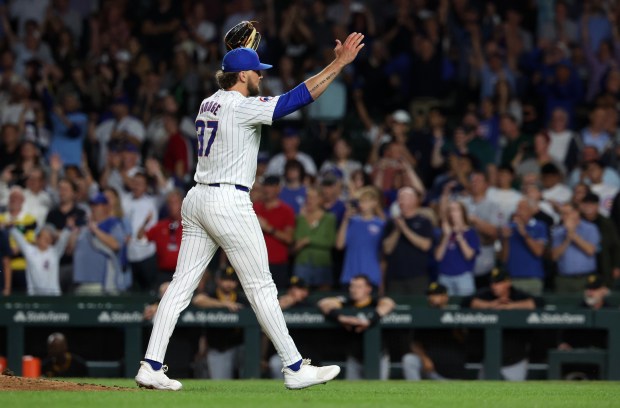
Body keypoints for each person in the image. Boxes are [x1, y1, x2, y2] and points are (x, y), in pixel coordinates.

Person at [136, 33, 366, 390]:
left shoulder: (207, 103)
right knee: (261, 285)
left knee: (181, 286)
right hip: (227, 200)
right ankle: (294, 367)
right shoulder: (241, 106)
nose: (261, 75)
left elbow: (242, 86)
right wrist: (339, 64)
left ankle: (151, 364)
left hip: (197, 197)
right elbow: (297, 99)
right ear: (242, 76)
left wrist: (238, 56)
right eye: (256, 71)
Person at [466, 268, 544, 381]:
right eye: (492, 282)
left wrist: (510, 307)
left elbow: (539, 303)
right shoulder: (486, 295)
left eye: (498, 282)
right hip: (489, 360)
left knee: (515, 394)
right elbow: (467, 302)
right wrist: (490, 305)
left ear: (508, 282)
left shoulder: (517, 295)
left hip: (515, 359)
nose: (494, 286)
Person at [318, 275, 396, 380]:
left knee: (379, 390)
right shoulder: (346, 302)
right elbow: (323, 303)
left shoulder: (374, 302)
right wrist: (342, 318)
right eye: (352, 286)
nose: (354, 290)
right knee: (352, 392)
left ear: (368, 289)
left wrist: (369, 321)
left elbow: (389, 303)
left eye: (359, 287)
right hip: (354, 357)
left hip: (377, 357)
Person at [402, 283, 469, 380]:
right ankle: (414, 393)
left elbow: (464, 339)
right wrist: (424, 358)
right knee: (409, 360)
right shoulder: (424, 317)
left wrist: (452, 324)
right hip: (430, 368)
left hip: (451, 372)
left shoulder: (456, 315)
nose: (431, 298)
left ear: (445, 297)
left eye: (436, 295)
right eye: (430, 295)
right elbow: (415, 343)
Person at [191, 266, 247, 379]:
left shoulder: (241, 299)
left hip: (239, 346)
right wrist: (224, 304)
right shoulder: (212, 295)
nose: (228, 284)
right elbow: (197, 300)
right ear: (218, 280)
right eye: (225, 280)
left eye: (232, 280)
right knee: (220, 383)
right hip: (219, 348)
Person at [382, 187, 433, 294]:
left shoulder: (423, 221)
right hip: (395, 277)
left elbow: (425, 245)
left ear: (415, 200)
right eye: (399, 198)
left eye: (404, 198)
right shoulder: (391, 223)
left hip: (417, 276)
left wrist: (404, 228)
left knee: (418, 308)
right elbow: (387, 249)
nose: (401, 201)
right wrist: (397, 229)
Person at [336, 186, 385, 289]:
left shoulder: (381, 224)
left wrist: (382, 281)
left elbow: (384, 255)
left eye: (366, 201)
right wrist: (345, 220)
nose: (362, 204)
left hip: (371, 276)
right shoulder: (351, 222)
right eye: (361, 201)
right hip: (350, 275)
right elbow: (339, 245)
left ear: (374, 202)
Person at [253, 175, 295, 290]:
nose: (267, 189)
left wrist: (268, 228)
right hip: (255, 262)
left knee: (277, 297)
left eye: (271, 186)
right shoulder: (253, 208)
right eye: (265, 186)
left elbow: (289, 239)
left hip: (278, 263)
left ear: (278, 188)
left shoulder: (287, 210)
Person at [9, 222, 73, 296]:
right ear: (37, 238)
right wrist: (11, 227)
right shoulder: (29, 251)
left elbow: (63, 240)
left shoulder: (54, 252)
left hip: (53, 296)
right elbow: (19, 239)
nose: (47, 240)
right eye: (44, 237)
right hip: (34, 296)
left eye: (49, 238)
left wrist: (68, 228)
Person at [500, 199, 548, 296]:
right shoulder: (509, 228)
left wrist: (524, 233)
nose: (519, 211)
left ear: (531, 211)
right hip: (511, 279)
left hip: (532, 279)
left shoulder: (540, 226)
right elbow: (503, 259)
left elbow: (538, 252)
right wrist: (505, 240)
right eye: (517, 208)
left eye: (523, 208)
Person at [292, 186, 336, 290]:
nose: (309, 200)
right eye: (308, 197)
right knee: (298, 293)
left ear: (321, 199)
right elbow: (297, 238)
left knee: (323, 294)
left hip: (322, 264)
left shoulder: (329, 218)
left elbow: (329, 241)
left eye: (314, 197)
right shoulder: (300, 218)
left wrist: (308, 240)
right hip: (302, 263)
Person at [552, 202, 600, 293]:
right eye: (562, 214)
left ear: (576, 213)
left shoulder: (590, 228)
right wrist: (567, 238)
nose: (563, 217)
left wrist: (572, 234)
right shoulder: (558, 231)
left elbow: (590, 250)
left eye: (566, 214)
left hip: (586, 278)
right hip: (564, 279)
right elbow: (554, 256)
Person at [434, 201, 480, 296]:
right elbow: (438, 257)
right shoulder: (443, 232)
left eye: (456, 210)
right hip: (444, 277)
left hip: (464, 277)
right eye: (450, 210)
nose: (452, 213)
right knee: (445, 309)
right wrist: (447, 236)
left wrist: (459, 234)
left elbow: (469, 255)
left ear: (462, 212)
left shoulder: (471, 232)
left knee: (465, 308)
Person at [578, 192, 620, 288]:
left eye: (592, 204)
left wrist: (617, 266)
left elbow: (616, 246)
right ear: (581, 206)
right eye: (586, 204)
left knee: (604, 289)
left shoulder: (606, 223)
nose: (588, 207)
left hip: (603, 261)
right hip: (583, 263)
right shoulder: (576, 221)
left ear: (597, 206)